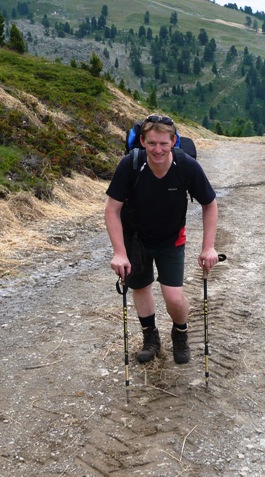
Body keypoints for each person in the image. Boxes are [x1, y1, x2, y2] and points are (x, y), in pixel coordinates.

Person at [105, 114, 220, 364]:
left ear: (173, 141)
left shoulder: (186, 166)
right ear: (143, 141)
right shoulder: (130, 165)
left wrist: (208, 247)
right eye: (152, 143)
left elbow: (210, 204)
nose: (158, 150)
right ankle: (151, 338)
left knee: (174, 297)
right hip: (135, 239)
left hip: (171, 240)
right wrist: (120, 252)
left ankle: (180, 333)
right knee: (141, 287)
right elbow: (112, 210)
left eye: (164, 144)